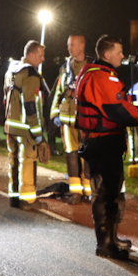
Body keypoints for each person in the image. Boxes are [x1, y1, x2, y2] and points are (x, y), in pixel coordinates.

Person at [76, 35, 138, 259]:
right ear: (107, 55)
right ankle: (105, 244)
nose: (122, 55)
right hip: (103, 142)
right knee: (105, 192)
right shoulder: (101, 77)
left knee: (111, 191)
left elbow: (119, 104)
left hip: (102, 141)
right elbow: (116, 110)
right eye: (119, 51)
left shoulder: (98, 74)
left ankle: (112, 239)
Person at [4, 41, 48, 210]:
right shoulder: (30, 74)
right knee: (27, 161)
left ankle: (14, 197)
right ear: (31, 55)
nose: (43, 59)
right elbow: (31, 105)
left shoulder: (11, 71)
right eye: (40, 55)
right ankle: (28, 200)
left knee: (13, 161)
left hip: (11, 125)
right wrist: (38, 134)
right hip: (24, 127)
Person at [50, 35, 94, 202]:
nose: (69, 48)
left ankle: (89, 190)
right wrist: (54, 113)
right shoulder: (65, 68)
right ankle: (76, 191)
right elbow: (58, 93)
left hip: (86, 119)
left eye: (72, 45)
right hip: (67, 119)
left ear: (82, 46)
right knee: (71, 154)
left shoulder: (92, 67)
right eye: (68, 45)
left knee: (88, 154)